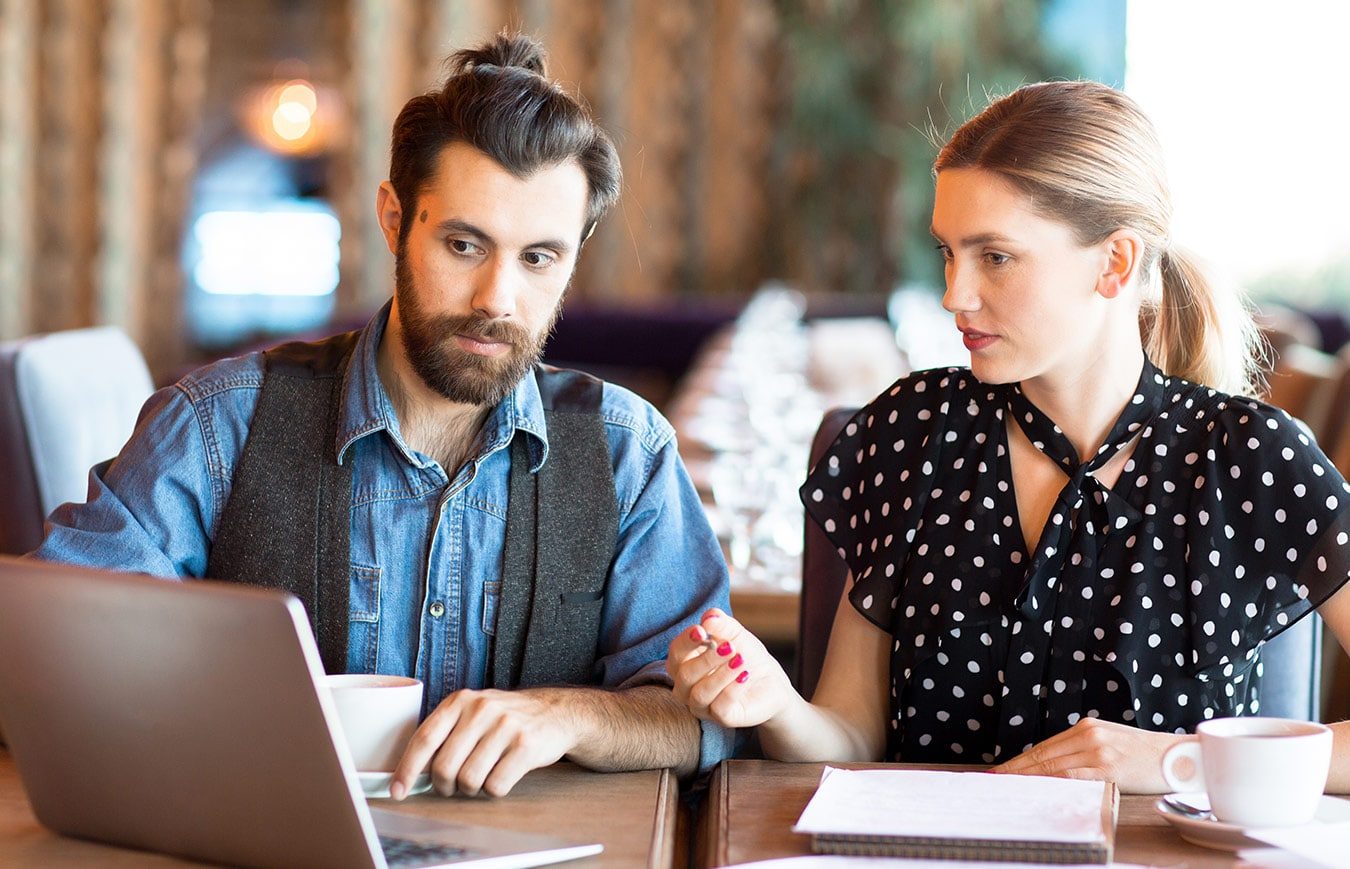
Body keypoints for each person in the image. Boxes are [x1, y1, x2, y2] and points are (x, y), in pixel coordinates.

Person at [35, 33, 732, 799]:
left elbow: (701, 716)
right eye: (464, 244)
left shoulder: (627, 453)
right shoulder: (213, 427)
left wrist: (574, 716)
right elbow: (44, 657)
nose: (497, 298)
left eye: (539, 258)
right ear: (395, 219)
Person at [667, 80, 1350, 793]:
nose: (954, 294)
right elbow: (852, 735)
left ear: (1114, 262)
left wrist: (1179, 761)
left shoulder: (1250, 458)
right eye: (947, 252)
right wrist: (776, 704)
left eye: (995, 256)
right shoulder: (912, 431)